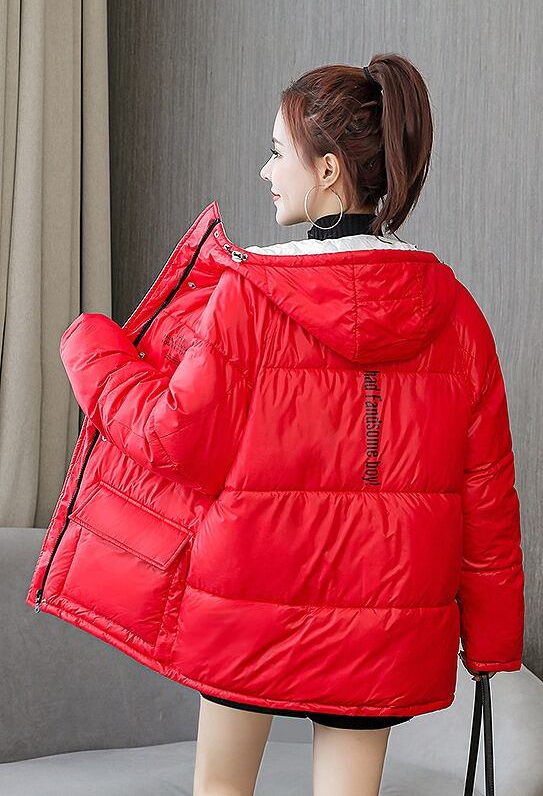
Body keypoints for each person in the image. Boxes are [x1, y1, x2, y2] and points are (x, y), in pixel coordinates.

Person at [192, 53, 520, 796]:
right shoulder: (455, 312)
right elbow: (489, 498)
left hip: (248, 599)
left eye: (279, 152)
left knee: (220, 789)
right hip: (382, 618)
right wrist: (492, 645)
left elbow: (175, 439)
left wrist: (92, 353)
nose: (266, 171)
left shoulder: (246, 295)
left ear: (329, 170)